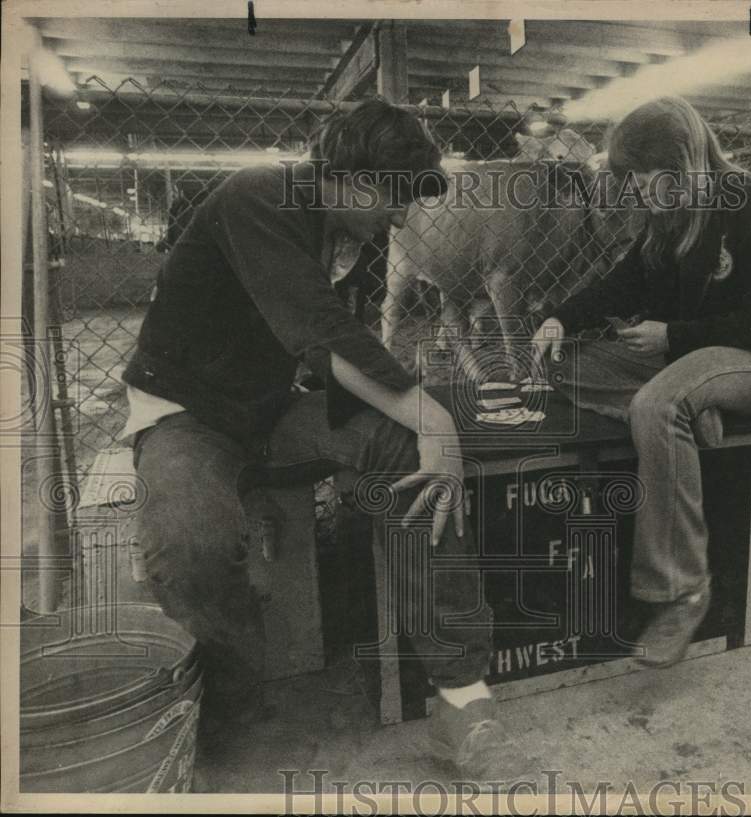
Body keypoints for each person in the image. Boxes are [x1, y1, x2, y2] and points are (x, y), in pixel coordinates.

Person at [121, 98, 523, 783]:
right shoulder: (261, 194)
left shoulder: (349, 235)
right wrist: (435, 418)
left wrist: (413, 427)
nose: (400, 219)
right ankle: (227, 694)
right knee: (192, 540)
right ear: (355, 178)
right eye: (394, 198)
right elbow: (318, 332)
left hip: (273, 405)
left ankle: (461, 695)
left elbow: (341, 349)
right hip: (190, 412)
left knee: (405, 457)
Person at [532, 95, 751, 668]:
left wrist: (673, 338)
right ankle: (681, 411)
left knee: (658, 401)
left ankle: (682, 591)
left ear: (680, 163)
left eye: (640, 178)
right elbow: (620, 283)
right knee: (563, 361)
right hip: (690, 356)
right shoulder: (668, 215)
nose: (633, 192)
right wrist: (559, 317)